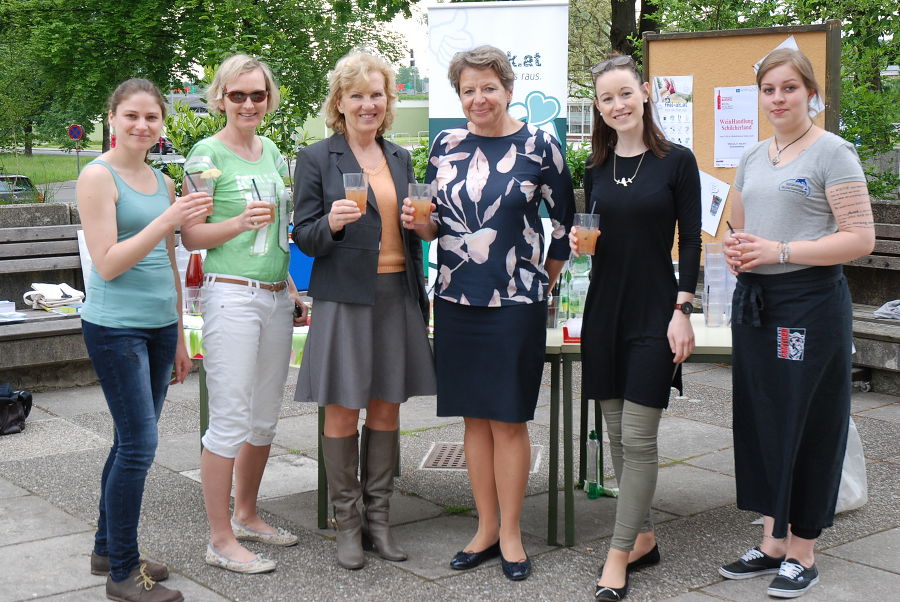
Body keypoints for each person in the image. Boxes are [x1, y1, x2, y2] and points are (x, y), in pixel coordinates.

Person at [406, 45, 574, 582]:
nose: (478, 99)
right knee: (473, 419)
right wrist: (420, 225)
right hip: (455, 297)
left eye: (488, 88)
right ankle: (483, 527)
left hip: (515, 303)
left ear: (507, 88)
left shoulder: (540, 145)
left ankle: (512, 533)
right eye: (468, 90)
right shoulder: (446, 144)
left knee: (508, 418)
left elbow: (567, 222)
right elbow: (435, 223)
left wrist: (541, 280)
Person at [718, 48, 874, 599]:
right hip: (758, 303)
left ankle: (804, 549)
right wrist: (736, 249)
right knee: (761, 417)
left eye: (789, 88)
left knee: (808, 419)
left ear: (811, 93)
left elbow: (861, 239)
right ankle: (772, 540)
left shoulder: (834, 152)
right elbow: (738, 226)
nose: (778, 99)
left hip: (810, 303)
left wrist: (780, 249)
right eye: (769, 89)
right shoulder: (755, 156)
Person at [292, 51, 435, 570]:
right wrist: (330, 221)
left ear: (388, 101)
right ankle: (346, 524)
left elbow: (419, 229)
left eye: (377, 94)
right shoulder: (316, 159)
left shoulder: (399, 158)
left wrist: (427, 226)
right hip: (345, 299)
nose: (368, 104)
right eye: (357, 95)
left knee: (386, 406)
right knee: (341, 408)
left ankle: (380, 521)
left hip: (397, 293)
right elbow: (304, 237)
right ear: (340, 102)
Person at [78, 78, 212, 602]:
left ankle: (107, 549)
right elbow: (108, 264)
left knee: (129, 440)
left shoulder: (161, 180)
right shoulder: (97, 177)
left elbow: (168, 265)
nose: (142, 125)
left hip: (159, 327)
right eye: (131, 115)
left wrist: (179, 333)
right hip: (116, 328)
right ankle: (124, 574)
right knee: (140, 446)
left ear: (161, 124)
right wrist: (166, 221)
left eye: (151, 117)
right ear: (112, 118)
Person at [573, 54, 701, 601]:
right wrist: (577, 247)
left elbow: (691, 240)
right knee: (617, 437)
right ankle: (644, 536)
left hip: (655, 311)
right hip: (604, 310)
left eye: (625, 93)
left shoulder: (677, 162)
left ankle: (617, 555)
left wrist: (683, 309)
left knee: (639, 438)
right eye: (607, 99)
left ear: (644, 93)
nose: (618, 105)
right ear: (599, 108)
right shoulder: (596, 170)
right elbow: (588, 243)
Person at [181, 54, 307, 574]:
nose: (249, 104)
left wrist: (295, 289)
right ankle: (218, 539)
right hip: (231, 293)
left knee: (264, 415)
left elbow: (280, 232)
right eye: (238, 95)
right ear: (220, 99)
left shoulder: (273, 150)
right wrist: (235, 224)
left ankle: (248, 514)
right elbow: (191, 236)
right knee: (230, 418)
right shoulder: (204, 155)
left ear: (269, 99)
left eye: (257, 95)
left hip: (276, 294)